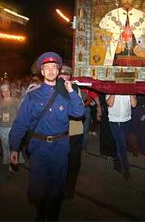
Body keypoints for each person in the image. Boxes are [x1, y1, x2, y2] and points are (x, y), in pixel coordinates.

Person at [9, 52, 84, 220]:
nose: (51, 71)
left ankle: (53, 217)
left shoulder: (65, 94)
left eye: (54, 68)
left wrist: (71, 90)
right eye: (47, 68)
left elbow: (79, 112)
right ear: (41, 72)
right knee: (39, 187)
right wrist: (14, 147)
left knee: (57, 188)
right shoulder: (32, 96)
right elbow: (20, 123)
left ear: (58, 71)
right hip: (39, 148)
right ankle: (41, 214)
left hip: (60, 147)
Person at [99, 0, 145, 67]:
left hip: (137, 51)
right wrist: (116, 44)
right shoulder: (111, 15)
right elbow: (103, 33)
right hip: (118, 51)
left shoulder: (142, 15)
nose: (127, 1)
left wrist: (142, 48)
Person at [58, 64, 84, 199]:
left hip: (74, 131)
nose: (63, 77)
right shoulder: (53, 89)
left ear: (69, 76)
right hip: (59, 133)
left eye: (66, 75)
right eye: (61, 74)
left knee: (73, 163)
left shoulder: (74, 88)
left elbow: (79, 109)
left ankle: (70, 189)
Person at [106, 93, 137, 180]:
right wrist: (114, 91)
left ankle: (117, 163)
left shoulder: (129, 88)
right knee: (121, 145)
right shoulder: (111, 89)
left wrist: (130, 92)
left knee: (121, 144)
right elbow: (110, 103)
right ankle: (125, 169)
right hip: (114, 120)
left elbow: (134, 104)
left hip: (126, 120)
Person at [0, 82, 23, 169]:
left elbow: (21, 113)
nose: (6, 93)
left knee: (13, 146)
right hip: (2, 127)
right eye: (3, 91)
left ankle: (12, 164)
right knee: (5, 146)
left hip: (13, 127)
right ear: (1, 92)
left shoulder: (16, 101)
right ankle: (7, 160)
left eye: (7, 91)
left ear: (10, 91)